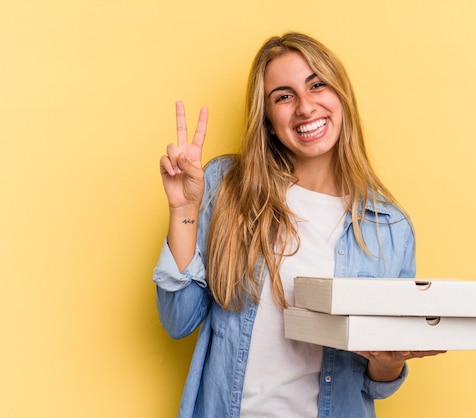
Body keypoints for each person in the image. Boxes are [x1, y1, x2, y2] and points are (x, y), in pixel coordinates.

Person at [154, 32, 444, 418]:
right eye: (284, 96)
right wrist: (184, 209)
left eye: (317, 85)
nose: (306, 107)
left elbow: (375, 383)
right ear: (270, 121)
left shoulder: (389, 228)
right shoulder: (226, 187)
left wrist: (389, 360)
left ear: (340, 97)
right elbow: (178, 321)